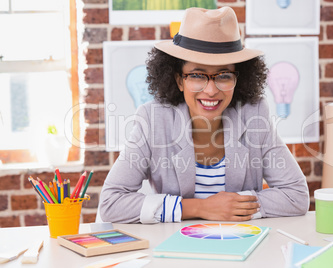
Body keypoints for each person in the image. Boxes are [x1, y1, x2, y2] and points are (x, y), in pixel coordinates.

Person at [99, 6, 309, 224]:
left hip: (240, 244)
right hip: (175, 247)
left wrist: (234, 207)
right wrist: (201, 208)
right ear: (180, 80)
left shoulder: (253, 115)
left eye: (224, 75)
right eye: (198, 75)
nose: (211, 90)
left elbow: (296, 195)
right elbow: (111, 203)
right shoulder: (152, 120)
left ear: (238, 79)